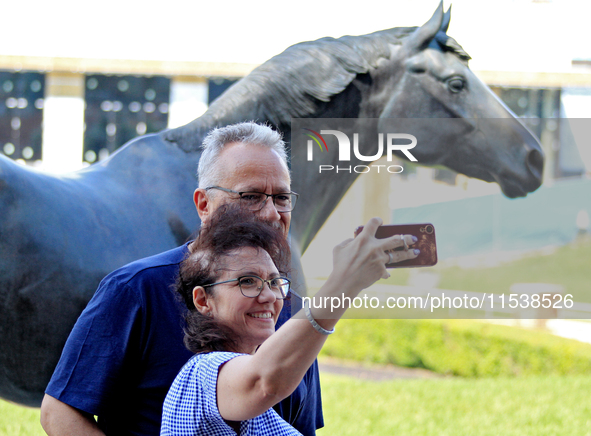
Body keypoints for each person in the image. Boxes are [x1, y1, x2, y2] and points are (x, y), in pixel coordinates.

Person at [40, 123, 323, 435]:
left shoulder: (293, 307)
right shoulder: (136, 289)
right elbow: (59, 414)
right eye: (251, 196)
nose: (271, 213)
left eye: (282, 197)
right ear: (204, 205)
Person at [160, 195, 419, 434]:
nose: (270, 296)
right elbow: (264, 382)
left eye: (275, 282)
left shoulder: (252, 390)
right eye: (247, 281)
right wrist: (345, 281)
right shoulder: (199, 376)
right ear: (203, 300)